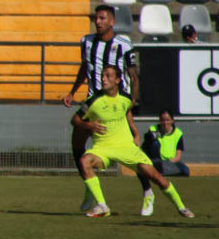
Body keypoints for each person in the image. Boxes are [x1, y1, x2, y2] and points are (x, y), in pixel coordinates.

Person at [74, 66, 194, 219]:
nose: (103, 79)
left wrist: (136, 133)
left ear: (117, 80)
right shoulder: (93, 100)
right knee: (85, 161)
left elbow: (126, 113)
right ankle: (102, 205)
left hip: (126, 147)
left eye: (108, 76)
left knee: (157, 178)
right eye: (103, 75)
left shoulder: (125, 99)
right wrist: (87, 125)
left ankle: (181, 207)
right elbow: (75, 120)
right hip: (102, 148)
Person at [61, 4, 147, 215]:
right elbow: (85, 67)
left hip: (117, 105)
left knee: (133, 153)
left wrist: (131, 102)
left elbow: (134, 75)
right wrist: (72, 92)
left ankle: (147, 192)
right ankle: (91, 189)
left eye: (101, 18)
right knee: (77, 143)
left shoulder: (124, 44)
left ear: (111, 21)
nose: (97, 22)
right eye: (95, 18)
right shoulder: (86, 42)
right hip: (93, 103)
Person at [143, 110, 189, 177]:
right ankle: (159, 171)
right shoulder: (153, 129)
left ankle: (160, 173)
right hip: (156, 161)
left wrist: (168, 163)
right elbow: (147, 145)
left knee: (185, 171)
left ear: (172, 121)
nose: (165, 123)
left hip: (170, 161)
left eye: (167, 120)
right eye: (162, 120)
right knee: (156, 143)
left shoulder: (178, 133)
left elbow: (178, 157)